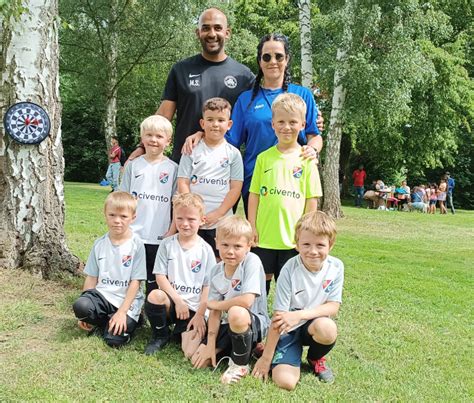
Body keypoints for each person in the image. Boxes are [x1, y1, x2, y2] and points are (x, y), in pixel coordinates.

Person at [185, 33, 323, 214]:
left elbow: (315, 136)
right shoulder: (246, 99)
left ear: (287, 59)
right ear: (259, 61)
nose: (273, 61)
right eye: (266, 57)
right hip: (255, 180)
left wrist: (312, 149)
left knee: (295, 236)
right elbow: (229, 140)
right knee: (257, 237)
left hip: (294, 178)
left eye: (279, 56)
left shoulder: (303, 95)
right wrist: (202, 134)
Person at [127, 8, 254, 164]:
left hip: (223, 166)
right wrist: (142, 147)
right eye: (206, 28)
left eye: (218, 28)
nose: (212, 34)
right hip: (184, 160)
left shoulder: (244, 75)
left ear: (227, 33)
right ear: (197, 33)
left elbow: (252, 123)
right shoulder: (181, 70)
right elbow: (163, 116)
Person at [252, 211, 343, 389]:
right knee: (285, 382)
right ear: (297, 244)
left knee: (328, 328)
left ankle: (315, 358)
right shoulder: (289, 269)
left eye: (320, 245)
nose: (313, 251)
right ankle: (278, 349)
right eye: (306, 244)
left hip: (313, 325)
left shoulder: (336, 267)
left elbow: (333, 306)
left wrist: (300, 315)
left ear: (330, 245)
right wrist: (266, 359)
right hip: (288, 328)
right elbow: (279, 317)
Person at [248, 93, 322, 295]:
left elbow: (311, 199)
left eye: (292, 122)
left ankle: (288, 324)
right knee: (259, 286)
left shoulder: (307, 160)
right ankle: (257, 322)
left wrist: (305, 234)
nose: (286, 127)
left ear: (302, 124)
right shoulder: (264, 158)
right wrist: (252, 226)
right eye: (280, 121)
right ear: (272, 124)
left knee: (289, 287)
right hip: (264, 236)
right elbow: (254, 195)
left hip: (292, 239)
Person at [191, 215, 270, 385]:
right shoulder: (215, 271)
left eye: (237, 246)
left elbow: (247, 301)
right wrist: (211, 344)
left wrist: (217, 304)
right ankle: (247, 350)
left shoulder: (252, 262)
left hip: (253, 321)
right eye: (225, 245)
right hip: (227, 324)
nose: (230, 251)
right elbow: (214, 311)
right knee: (196, 359)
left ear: (248, 246)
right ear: (217, 242)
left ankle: (239, 365)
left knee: (236, 312)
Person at [144, 193, 216, 357]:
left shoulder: (206, 250)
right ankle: (160, 335)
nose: (185, 224)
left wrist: (199, 315)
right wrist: (178, 301)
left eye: (191, 219)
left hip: (194, 310)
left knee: (189, 352)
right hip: (174, 303)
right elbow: (160, 277)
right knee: (155, 295)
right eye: (180, 218)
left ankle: (182, 331)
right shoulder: (166, 244)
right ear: (174, 218)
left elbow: (208, 286)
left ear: (202, 220)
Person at [72, 191, 146, 347]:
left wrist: (122, 312)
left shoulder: (137, 245)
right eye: (112, 215)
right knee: (81, 306)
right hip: (104, 297)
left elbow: (135, 282)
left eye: (123, 216)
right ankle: (107, 321)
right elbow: (92, 278)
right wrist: (84, 317)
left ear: (133, 218)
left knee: (113, 340)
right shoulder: (99, 244)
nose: (117, 221)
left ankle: (134, 319)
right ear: (105, 214)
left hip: (126, 301)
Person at [178, 98, 243, 256]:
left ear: (229, 125)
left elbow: (235, 188)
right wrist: (193, 212)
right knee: (192, 258)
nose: (215, 124)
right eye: (210, 119)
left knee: (218, 261)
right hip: (194, 220)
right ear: (202, 123)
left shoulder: (233, 154)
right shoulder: (191, 149)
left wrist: (218, 213)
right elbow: (183, 182)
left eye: (221, 120)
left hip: (221, 221)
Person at [120, 115, 178, 295]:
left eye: (159, 136)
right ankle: (131, 313)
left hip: (160, 236)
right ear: (142, 138)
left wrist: (171, 230)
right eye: (149, 135)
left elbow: (177, 204)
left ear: (168, 141)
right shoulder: (133, 166)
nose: (154, 140)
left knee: (155, 280)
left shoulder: (173, 168)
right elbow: (123, 199)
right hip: (134, 234)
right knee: (131, 277)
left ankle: (152, 312)